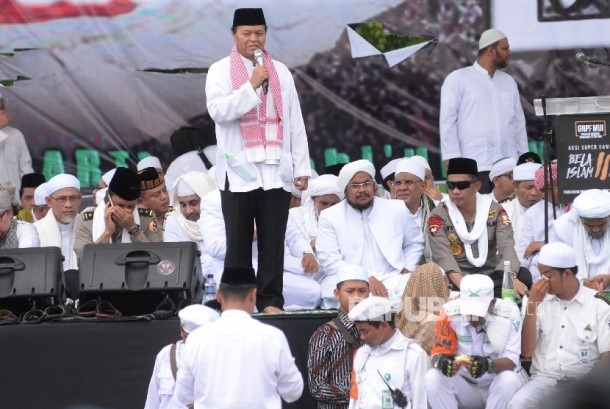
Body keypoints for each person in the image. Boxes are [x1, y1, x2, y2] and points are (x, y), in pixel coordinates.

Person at [205, 7, 311, 313]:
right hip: (238, 173)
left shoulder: (281, 72)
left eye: (259, 33)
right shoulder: (220, 71)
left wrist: (301, 167)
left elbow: (294, 121)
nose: (254, 39)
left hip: (276, 171)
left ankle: (270, 302)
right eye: (247, 33)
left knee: (273, 243)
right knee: (238, 244)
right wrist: (250, 85)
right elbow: (220, 112)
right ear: (234, 35)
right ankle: (236, 303)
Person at [173, 266, 304, 408]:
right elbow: (293, 392)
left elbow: (183, 396)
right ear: (253, 295)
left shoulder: (196, 339)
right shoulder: (273, 337)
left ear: (218, 295)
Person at [509, 242, 610, 409]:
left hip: (584, 383)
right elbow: (526, 351)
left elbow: (607, 356)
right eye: (541, 274)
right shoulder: (537, 300)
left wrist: (584, 384)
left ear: (567, 274)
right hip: (544, 381)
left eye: (547, 275)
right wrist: (532, 305)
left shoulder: (598, 304)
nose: (542, 281)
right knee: (519, 402)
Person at [316, 159, 424, 307]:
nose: (362, 190)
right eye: (355, 185)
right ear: (345, 190)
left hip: (394, 277)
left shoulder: (396, 208)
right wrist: (365, 278)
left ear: (374, 185)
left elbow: (415, 242)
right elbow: (329, 260)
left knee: (429, 280)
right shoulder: (330, 216)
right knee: (335, 291)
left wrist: (407, 268)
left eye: (366, 183)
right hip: (352, 280)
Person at [439, 28, 528, 193]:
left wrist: (524, 159)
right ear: (491, 50)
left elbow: (519, 124)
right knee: (478, 209)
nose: (509, 53)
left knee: (509, 209)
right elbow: (447, 121)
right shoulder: (458, 79)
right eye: (505, 48)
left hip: (508, 167)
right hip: (475, 164)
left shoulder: (509, 82)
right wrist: (452, 157)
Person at [427, 158, 527, 297]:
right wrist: (471, 291)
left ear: (477, 186)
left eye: (462, 185)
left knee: (523, 276)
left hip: (491, 276)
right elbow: (445, 260)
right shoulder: (438, 217)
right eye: (451, 185)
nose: (455, 191)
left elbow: (507, 247)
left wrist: (510, 277)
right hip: (457, 281)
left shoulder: (495, 211)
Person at [426, 274, 528, 409]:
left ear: (492, 303)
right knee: (433, 377)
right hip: (466, 386)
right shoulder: (448, 312)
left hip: (498, 384)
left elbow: (511, 361)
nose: (473, 318)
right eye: (469, 312)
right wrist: (442, 362)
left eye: (478, 312)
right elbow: (436, 354)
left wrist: (487, 365)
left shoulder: (509, 312)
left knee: (508, 380)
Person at [348, 296, 429, 409]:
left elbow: (421, 403)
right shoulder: (362, 354)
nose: (362, 337)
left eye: (365, 331)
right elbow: (355, 400)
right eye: (359, 332)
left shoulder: (413, 355)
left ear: (384, 325)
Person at [308, 264, 369, 408]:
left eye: (362, 291)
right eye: (350, 291)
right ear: (337, 294)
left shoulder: (377, 330)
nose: (356, 296)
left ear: (369, 293)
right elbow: (316, 387)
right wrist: (357, 391)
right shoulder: (324, 334)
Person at [144, 304, 219, 409]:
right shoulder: (166, 354)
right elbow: (153, 401)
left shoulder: (218, 359)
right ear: (181, 330)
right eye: (187, 335)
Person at [285, 174, 343, 309]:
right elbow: (288, 247)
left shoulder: (345, 220)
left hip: (330, 272)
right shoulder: (294, 215)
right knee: (311, 292)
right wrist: (310, 248)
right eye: (324, 203)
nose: (329, 208)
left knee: (336, 293)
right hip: (300, 272)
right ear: (313, 200)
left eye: (334, 204)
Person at [73, 167, 145, 257]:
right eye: (120, 205)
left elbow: (158, 254)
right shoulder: (84, 221)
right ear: (109, 199)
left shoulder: (147, 218)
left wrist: (133, 229)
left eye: (130, 206)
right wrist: (107, 232)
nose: (125, 211)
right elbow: (83, 258)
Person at [516, 162, 566, 281]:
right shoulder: (533, 212)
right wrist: (516, 273)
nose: (561, 188)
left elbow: (576, 240)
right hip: (538, 269)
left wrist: (545, 244)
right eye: (543, 190)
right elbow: (525, 248)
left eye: (559, 184)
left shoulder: (574, 207)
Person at [163, 171, 217, 278]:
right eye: (183, 205)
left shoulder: (221, 217)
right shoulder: (174, 221)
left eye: (193, 203)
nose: (188, 211)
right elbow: (174, 262)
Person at [551, 189, 610, 282]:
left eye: (601, 224)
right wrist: (581, 283)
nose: (596, 230)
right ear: (580, 218)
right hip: (575, 287)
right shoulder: (562, 227)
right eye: (589, 225)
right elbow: (556, 265)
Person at [395, 262, 450, 355]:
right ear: (437, 287)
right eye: (446, 286)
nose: (448, 292)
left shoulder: (401, 315)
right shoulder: (436, 325)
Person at [392, 157, 437, 262]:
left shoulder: (438, 211)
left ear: (423, 186)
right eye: (398, 183)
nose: (402, 188)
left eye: (408, 182)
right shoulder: (384, 214)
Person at [34, 173, 82, 270]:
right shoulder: (35, 230)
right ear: (48, 201)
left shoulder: (88, 227)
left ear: (80, 199)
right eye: (62, 199)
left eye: (73, 198)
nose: (68, 205)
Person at [502, 162, 542, 250]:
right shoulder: (503, 211)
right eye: (528, 188)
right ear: (515, 186)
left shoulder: (552, 210)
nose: (534, 193)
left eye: (538, 187)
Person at [0, 91, 34, 192]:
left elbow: (26, 168)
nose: (2, 111)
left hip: (16, 198)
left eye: (2, 107)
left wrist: (30, 194)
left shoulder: (16, 134)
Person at [137, 167, 170, 242]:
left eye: (164, 190)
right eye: (156, 194)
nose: (164, 197)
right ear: (140, 202)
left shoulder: (178, 213)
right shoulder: (137, 221)